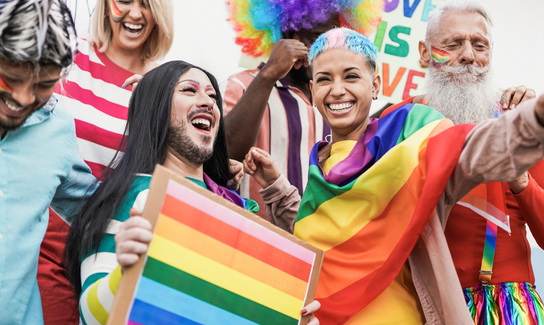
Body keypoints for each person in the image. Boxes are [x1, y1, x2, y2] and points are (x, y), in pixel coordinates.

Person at [246, 27, 544, 324]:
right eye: (324, 79)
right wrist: (277, 188)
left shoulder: (406, 139)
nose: (337, 90)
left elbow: (471, 151)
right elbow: (321, 239)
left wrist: (530, 125)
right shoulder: (319, 162)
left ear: (376, 84)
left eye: (351, 76)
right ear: (312, 92)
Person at [65, 60, 318, 325]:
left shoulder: (238, 210)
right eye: (189, 90)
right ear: (156, 107)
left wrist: (291, 317)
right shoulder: (132, 197)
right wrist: (125, 273)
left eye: (212, 95)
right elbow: (92, 315)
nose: (208, 101)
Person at [390, 2, 544, 324]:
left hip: (500, 308)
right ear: (426, 53)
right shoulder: (397, 124)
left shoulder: (523, 125)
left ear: (490, 52)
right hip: (413, 304)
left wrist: (522, 181)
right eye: (453, 44)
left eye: (479, 44)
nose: (468, 55)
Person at [39, 1, 174, 323]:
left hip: (111, 245)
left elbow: (168, 166)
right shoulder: (69, 54)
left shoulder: (163, 83)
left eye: (148, 5)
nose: (136, 14)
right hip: (47, 237)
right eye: (125, 1)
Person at [221, 0, 383, 218]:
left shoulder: (336, 101)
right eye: (315, 39)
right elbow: (224, 156)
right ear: (286, 34)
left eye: (332, 39)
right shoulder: (244, 85)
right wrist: (269, 73)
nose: (323, 51)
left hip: (316, 240)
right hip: (251, 236)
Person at [0, 0, 98, 323]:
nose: (24, 98)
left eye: (43, 85)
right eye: (10, 78)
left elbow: (96, 212)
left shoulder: (58, 129)